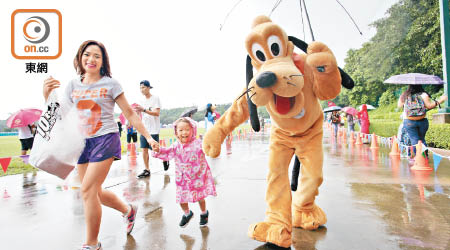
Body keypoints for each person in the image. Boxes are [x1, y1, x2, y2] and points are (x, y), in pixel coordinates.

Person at [43, 40, 159, 250]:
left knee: (87, 189)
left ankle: (92, 244)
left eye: (97, 56)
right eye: (88, 54)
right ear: (80, 57)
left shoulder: (111, 83)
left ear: (103, 61)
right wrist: (47, 97)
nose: (92, 59)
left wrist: (148, 137)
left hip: (105, 138)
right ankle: (128, 210)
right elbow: (61, 115)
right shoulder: (72, 85)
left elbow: (130, 113)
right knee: (94, 192)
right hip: (81, 143)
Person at [152, 117, 217, 227]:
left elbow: (209, 149)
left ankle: (204, 213)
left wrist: (213, 146)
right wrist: (158, 150)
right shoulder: (176, 146)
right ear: (176, 132)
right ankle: (187, 213)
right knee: (181, 199)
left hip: (198, 177)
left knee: (200, 198)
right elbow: (167, 152)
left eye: (187, 129)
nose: (184, 132)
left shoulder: (198, 143)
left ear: (193, 130)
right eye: (180, 130)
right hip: (182, 179)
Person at [398, 84, 447, 153]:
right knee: (422, 140)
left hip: (409, 121)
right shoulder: (424, 94)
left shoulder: (405, 95)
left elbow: (399, 105)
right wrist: (440, 100)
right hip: (422, 121)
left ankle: (417, 159)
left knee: (414, 140)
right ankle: (424, 157)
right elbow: (429, 106)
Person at [135, 80, 169, 178]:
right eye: (140, 88)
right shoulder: (140, 101)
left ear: (149, 87)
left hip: (153, 129)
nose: (142, 90)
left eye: (144, 87)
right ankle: (147, 170)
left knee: (155, 149)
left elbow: (156, 113)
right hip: (144, 129)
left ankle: (165, 158)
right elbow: (140, 114)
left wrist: (144, 110)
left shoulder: (155, 98)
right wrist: (137, 111)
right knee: (144, 149)